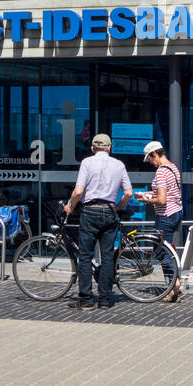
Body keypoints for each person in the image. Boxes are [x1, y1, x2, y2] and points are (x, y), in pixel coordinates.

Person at [62, 133, 132, 310]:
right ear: (110, 148)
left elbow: (78, 192)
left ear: (92, 148)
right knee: (107, 256)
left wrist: (70, 207)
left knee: (85, 255)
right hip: (109, 211)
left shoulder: (87, 163)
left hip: (90, 211)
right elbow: (129, 193)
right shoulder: (119, 165)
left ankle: (86, 299)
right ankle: (105, 300)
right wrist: (118, 207)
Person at [137, 140, 184, 302]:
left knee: (162, 252)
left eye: (150, 159)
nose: (150, 162)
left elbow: (162, 199)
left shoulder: (161, 172)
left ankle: (174, 285)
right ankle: (174, 283)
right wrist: (148, 193)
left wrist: (145, 201)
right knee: (168, 250)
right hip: (176, 212)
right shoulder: (173, 167)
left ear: (154, 154)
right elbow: (169, 191)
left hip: (165, 215)